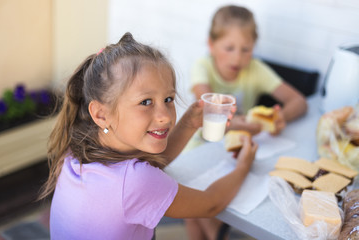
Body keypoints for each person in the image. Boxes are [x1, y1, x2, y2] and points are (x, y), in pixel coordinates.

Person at [39, 32, 257, 240]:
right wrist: (244, 165)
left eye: (169, 99)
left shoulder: (76, 152)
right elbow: (211, 204)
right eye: (145, 102)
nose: (164, 117)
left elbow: (147, 168)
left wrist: (189, 123)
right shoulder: (135, 182)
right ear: (101, 114)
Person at [185, 5, 308, 240]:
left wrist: (280, 117)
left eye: (246, 49)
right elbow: (206, 114)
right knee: (194, 207)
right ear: (211, 45)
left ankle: (216, 232)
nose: (237, 57)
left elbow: (299, 101)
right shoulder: (203, 67)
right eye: (229, 48)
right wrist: (240, 124)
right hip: (199, 146)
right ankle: (217, 233)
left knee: (201, 209)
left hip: (233, 150)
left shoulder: (255, 69)